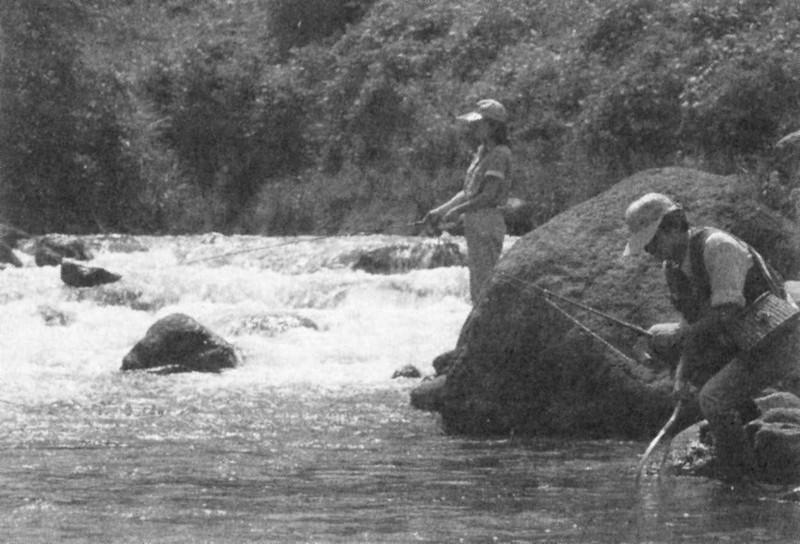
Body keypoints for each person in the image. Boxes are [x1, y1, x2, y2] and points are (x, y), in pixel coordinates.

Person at [623, 192, 800, 481]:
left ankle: (741, 478)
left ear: (676, 225)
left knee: (714, 398)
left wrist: (683, 372)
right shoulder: (673, 267)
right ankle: (741, 421)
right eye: (645, 245)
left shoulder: (718, 248)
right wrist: (670, 346)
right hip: (739, 338)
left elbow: (723, 316)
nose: (649, 250)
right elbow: (694, 324)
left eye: (653, 240)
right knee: (659, 336)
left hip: (778, 338)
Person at [422, 99, 512, 304]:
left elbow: (488, 196)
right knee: (477, 282)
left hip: (487, 221)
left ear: (492, 126)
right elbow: (468, 192)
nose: (473, 127)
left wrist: (457, 212)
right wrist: (440, 210)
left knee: (483, 282)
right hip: (475, 221)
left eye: (478, 123)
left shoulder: (500, 154)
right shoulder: (482, 153)